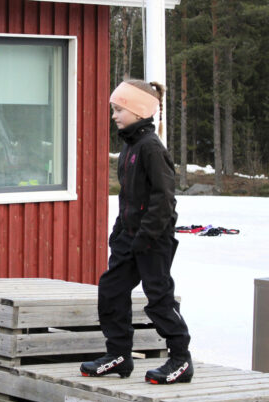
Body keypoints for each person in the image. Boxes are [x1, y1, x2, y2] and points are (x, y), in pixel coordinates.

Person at [79, 79, 193, 385]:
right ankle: (119, 355)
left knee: (159, 298)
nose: (114, 115)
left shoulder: (151, 149)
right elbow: (128, 197)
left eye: (119, 109)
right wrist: (120, 233)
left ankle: (181, 359)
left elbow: (164, 199)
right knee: (111, 290)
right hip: (130, 237)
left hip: (153, 240)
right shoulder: (130, 146)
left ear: (138, 110)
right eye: (114, 109)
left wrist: (145, 237)